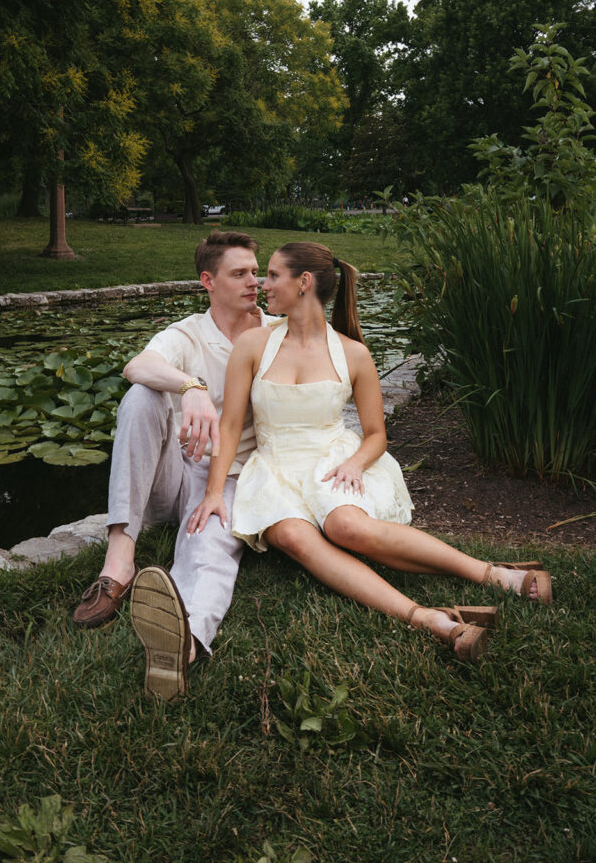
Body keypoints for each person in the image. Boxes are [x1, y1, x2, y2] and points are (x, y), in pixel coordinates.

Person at [189, 242, 553, 662]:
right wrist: (215, 493)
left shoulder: (353, 354)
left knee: (348, 527)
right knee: (291, 534)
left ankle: (494, 574)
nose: (262, 285)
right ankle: (430, 619)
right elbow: (231, 426)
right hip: (273, 468)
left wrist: (354, 464)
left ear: (303, 282)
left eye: (272, 275)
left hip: (333, 459)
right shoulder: (253, 344)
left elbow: (376, 434)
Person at [73, 231, 272, 700]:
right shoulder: (188, 333)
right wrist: (192, 387)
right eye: (239, 273)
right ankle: (119, 558)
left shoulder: (276, 331)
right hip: (177, 473)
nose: (253, 282)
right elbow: (137, 365)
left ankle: (181, 640)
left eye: (255, 272)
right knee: (142, 397)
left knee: (211, 548)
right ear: (208, 280)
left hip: (235, 476)